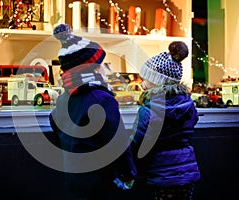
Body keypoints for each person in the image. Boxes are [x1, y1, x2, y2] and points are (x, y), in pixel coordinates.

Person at [49, 24, 137, 200]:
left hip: (73, 178)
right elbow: (117, 143)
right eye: (101, 63)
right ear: (93, 68)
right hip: (99, 181)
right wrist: (128, 174)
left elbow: (54, 122)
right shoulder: (101, 99)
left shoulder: (63, 99)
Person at [131, 41, 201, 200]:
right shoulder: (188, 105)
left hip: (161, 171)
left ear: (157, 82)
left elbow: (138, 142)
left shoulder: (148, 110)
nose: (142, 84)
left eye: (146, 79)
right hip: (187, 169)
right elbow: (193, 121)